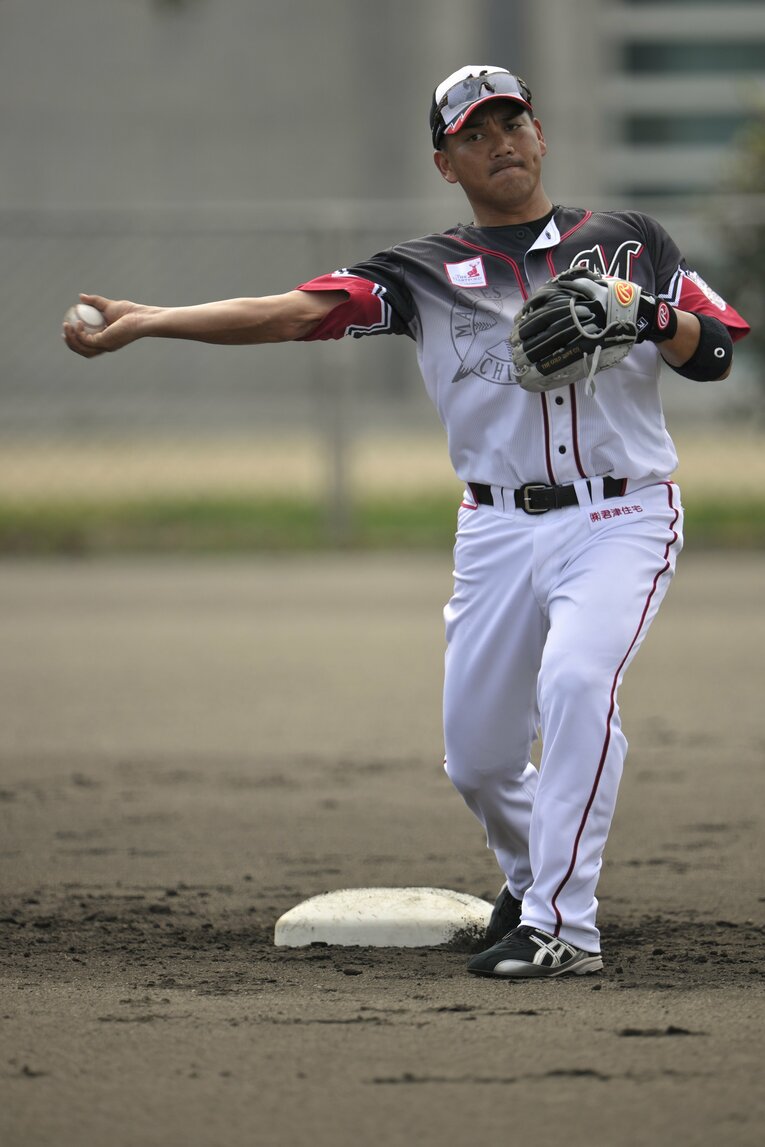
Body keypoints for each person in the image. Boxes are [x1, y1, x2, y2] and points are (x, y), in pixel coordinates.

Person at [64, 66, 750, 979]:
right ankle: (529, 876)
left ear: (540, 135)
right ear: (444, 162)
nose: (500, 141)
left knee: (578, 684)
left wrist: (647, 312)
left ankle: (562, 925)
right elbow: (286, 316)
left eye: (512, 122)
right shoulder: (421, 272)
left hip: (620, 512)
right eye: (475, 132)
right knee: (475, 760)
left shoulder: (629, 241)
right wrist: (150, 321)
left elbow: (717, 351)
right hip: (496, 529)